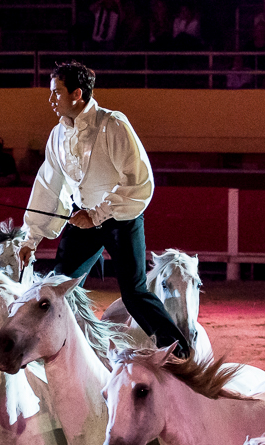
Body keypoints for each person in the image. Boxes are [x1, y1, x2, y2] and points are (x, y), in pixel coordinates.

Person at [19, 60, 190, 357]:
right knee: (60, 288)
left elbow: (138, 182)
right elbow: (48, 186)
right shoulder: (57, 136)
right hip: (81, 219)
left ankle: (179, 353)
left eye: (56, 93)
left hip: (120, 219)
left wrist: (96, 215)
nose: (51, 100)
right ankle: (67, 353)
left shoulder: (113, 124)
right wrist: (30, 238)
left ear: (77, 94)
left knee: (134, 293)